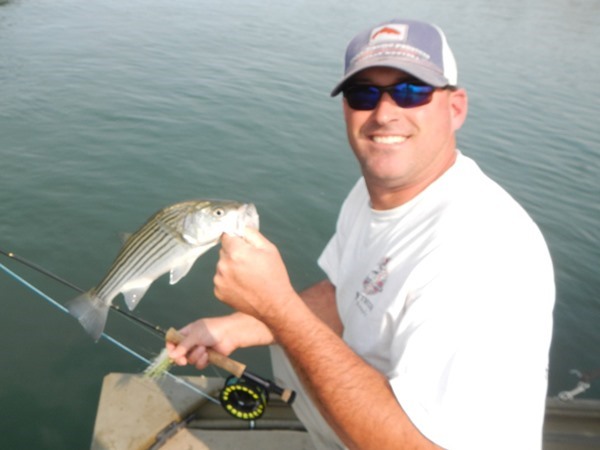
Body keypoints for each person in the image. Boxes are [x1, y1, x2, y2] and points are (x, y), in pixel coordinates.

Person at [167, 19, 555, 449]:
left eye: (411, 90)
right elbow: (347, 292)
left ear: (455, 107)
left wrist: (277, 309)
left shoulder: (485, 249)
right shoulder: (375, 193)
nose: (384, 113)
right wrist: (244, 323)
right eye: (364, 93)